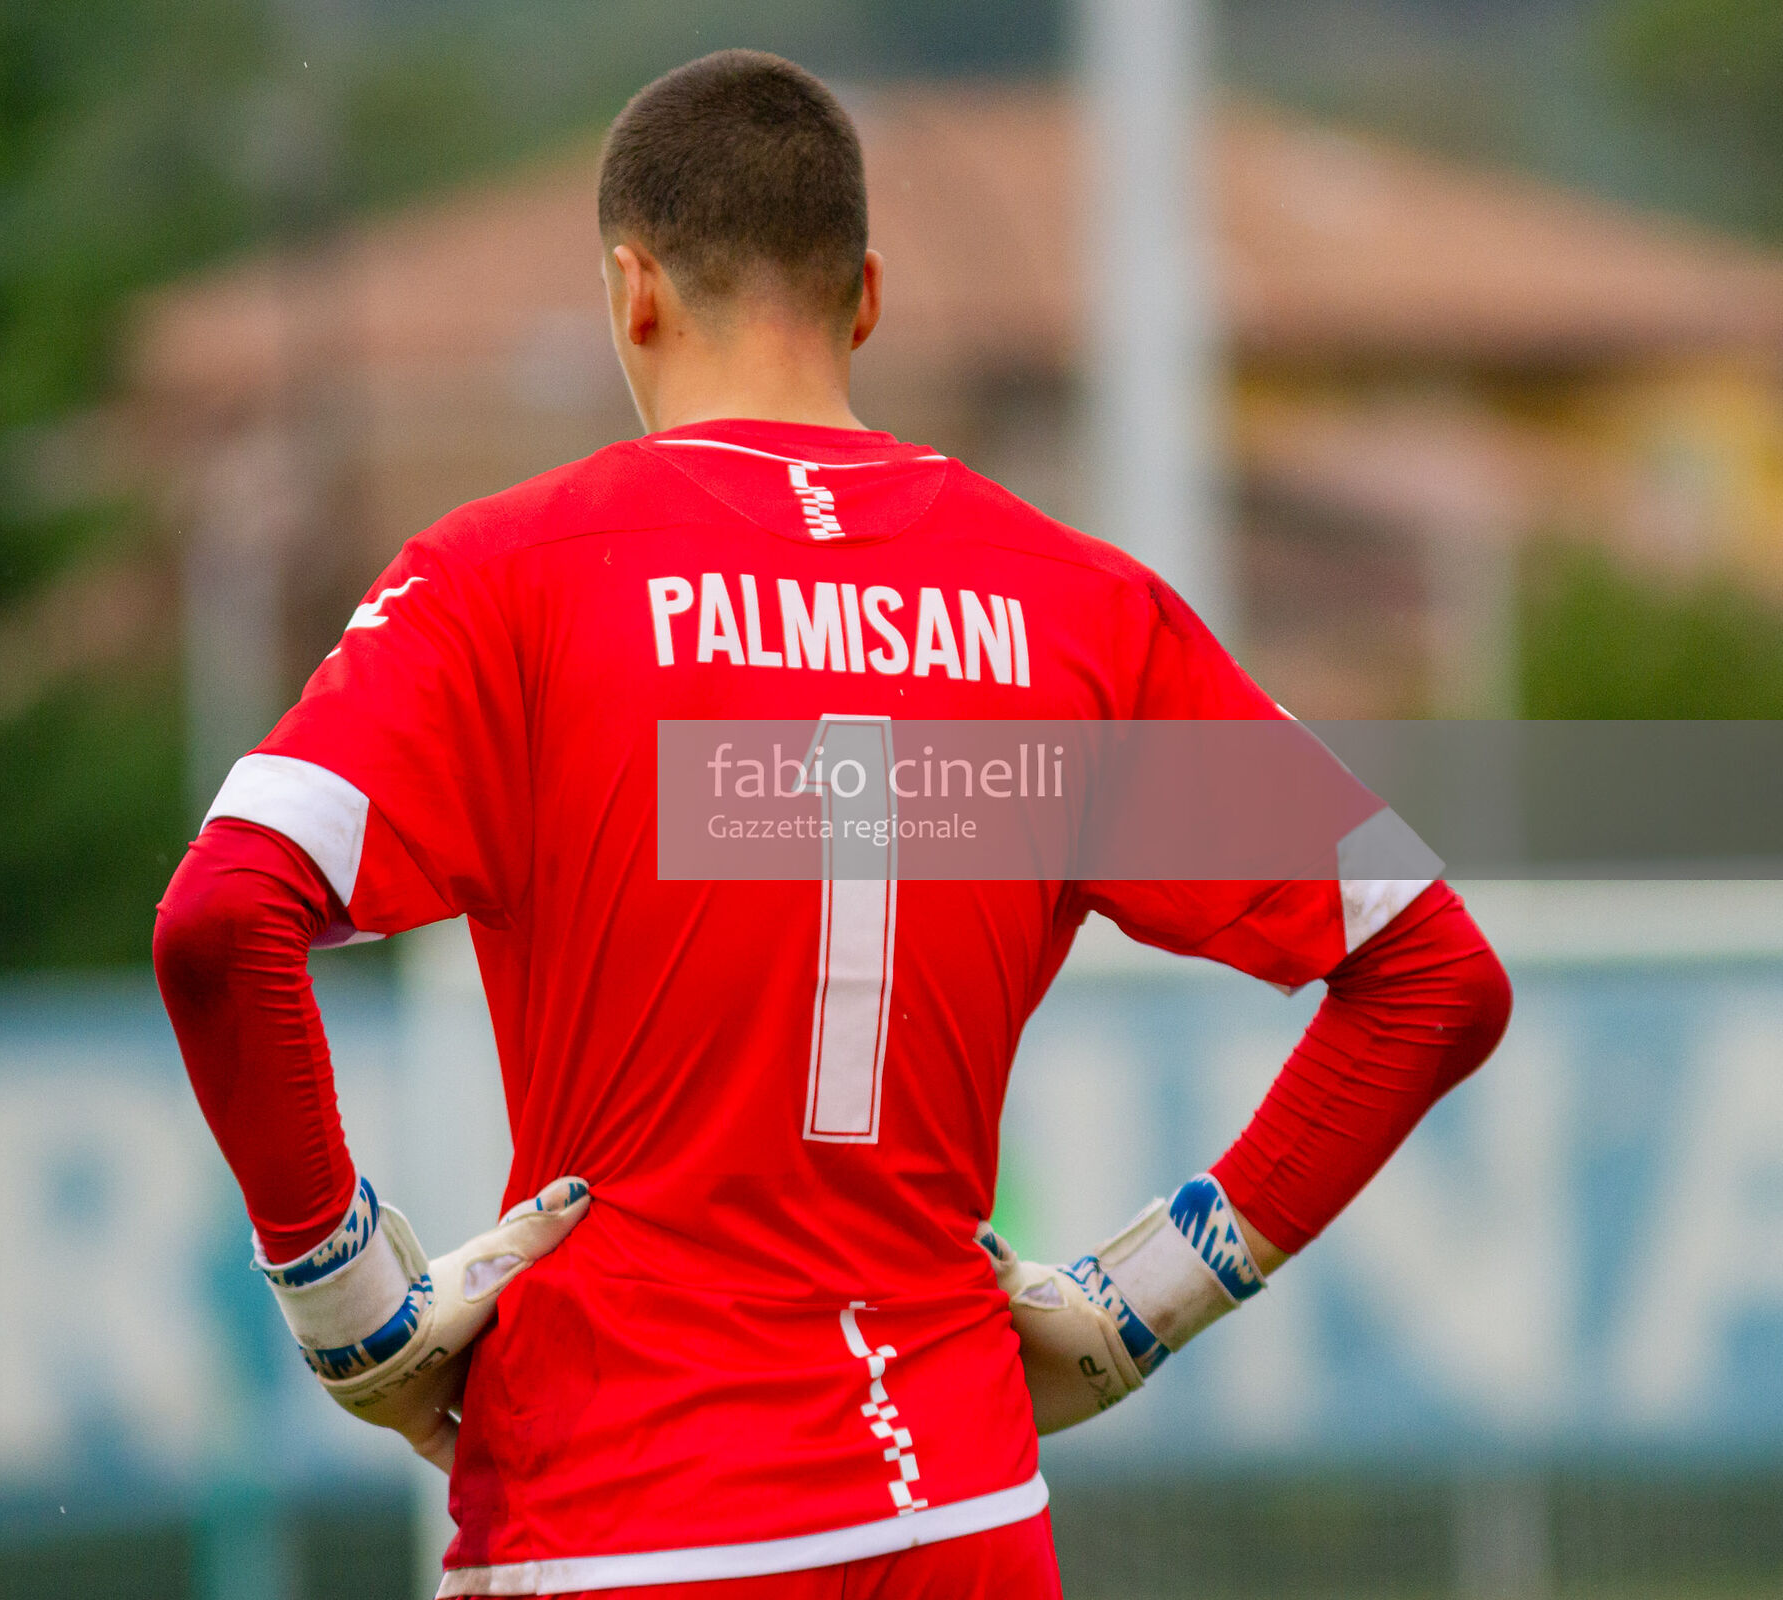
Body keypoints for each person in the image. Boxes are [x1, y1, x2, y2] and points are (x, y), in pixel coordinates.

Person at [153, 49, 1510, 1600]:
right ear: (867, 295)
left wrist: (347, 1310)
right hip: (961, 1519)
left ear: (632, 290)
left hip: (625, 1515)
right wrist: (1147, 1299)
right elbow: (1434, 978)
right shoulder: (1076, 611)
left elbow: (221, 917)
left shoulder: (513, 583)